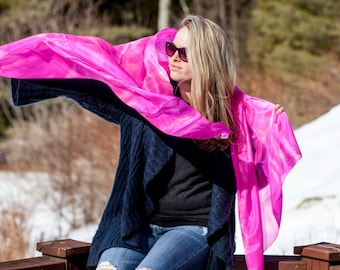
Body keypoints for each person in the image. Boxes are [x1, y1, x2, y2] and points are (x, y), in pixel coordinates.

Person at [0, 15, 301, 270]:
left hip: (193, 231)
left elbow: (260, 167)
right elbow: (94, 75)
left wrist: (271, 125)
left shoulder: (236, 116)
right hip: (138, 229)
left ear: (206, 58)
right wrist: (21, 66)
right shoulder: (150, 102)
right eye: (171, 48)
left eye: (183, 52)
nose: (172, 57)